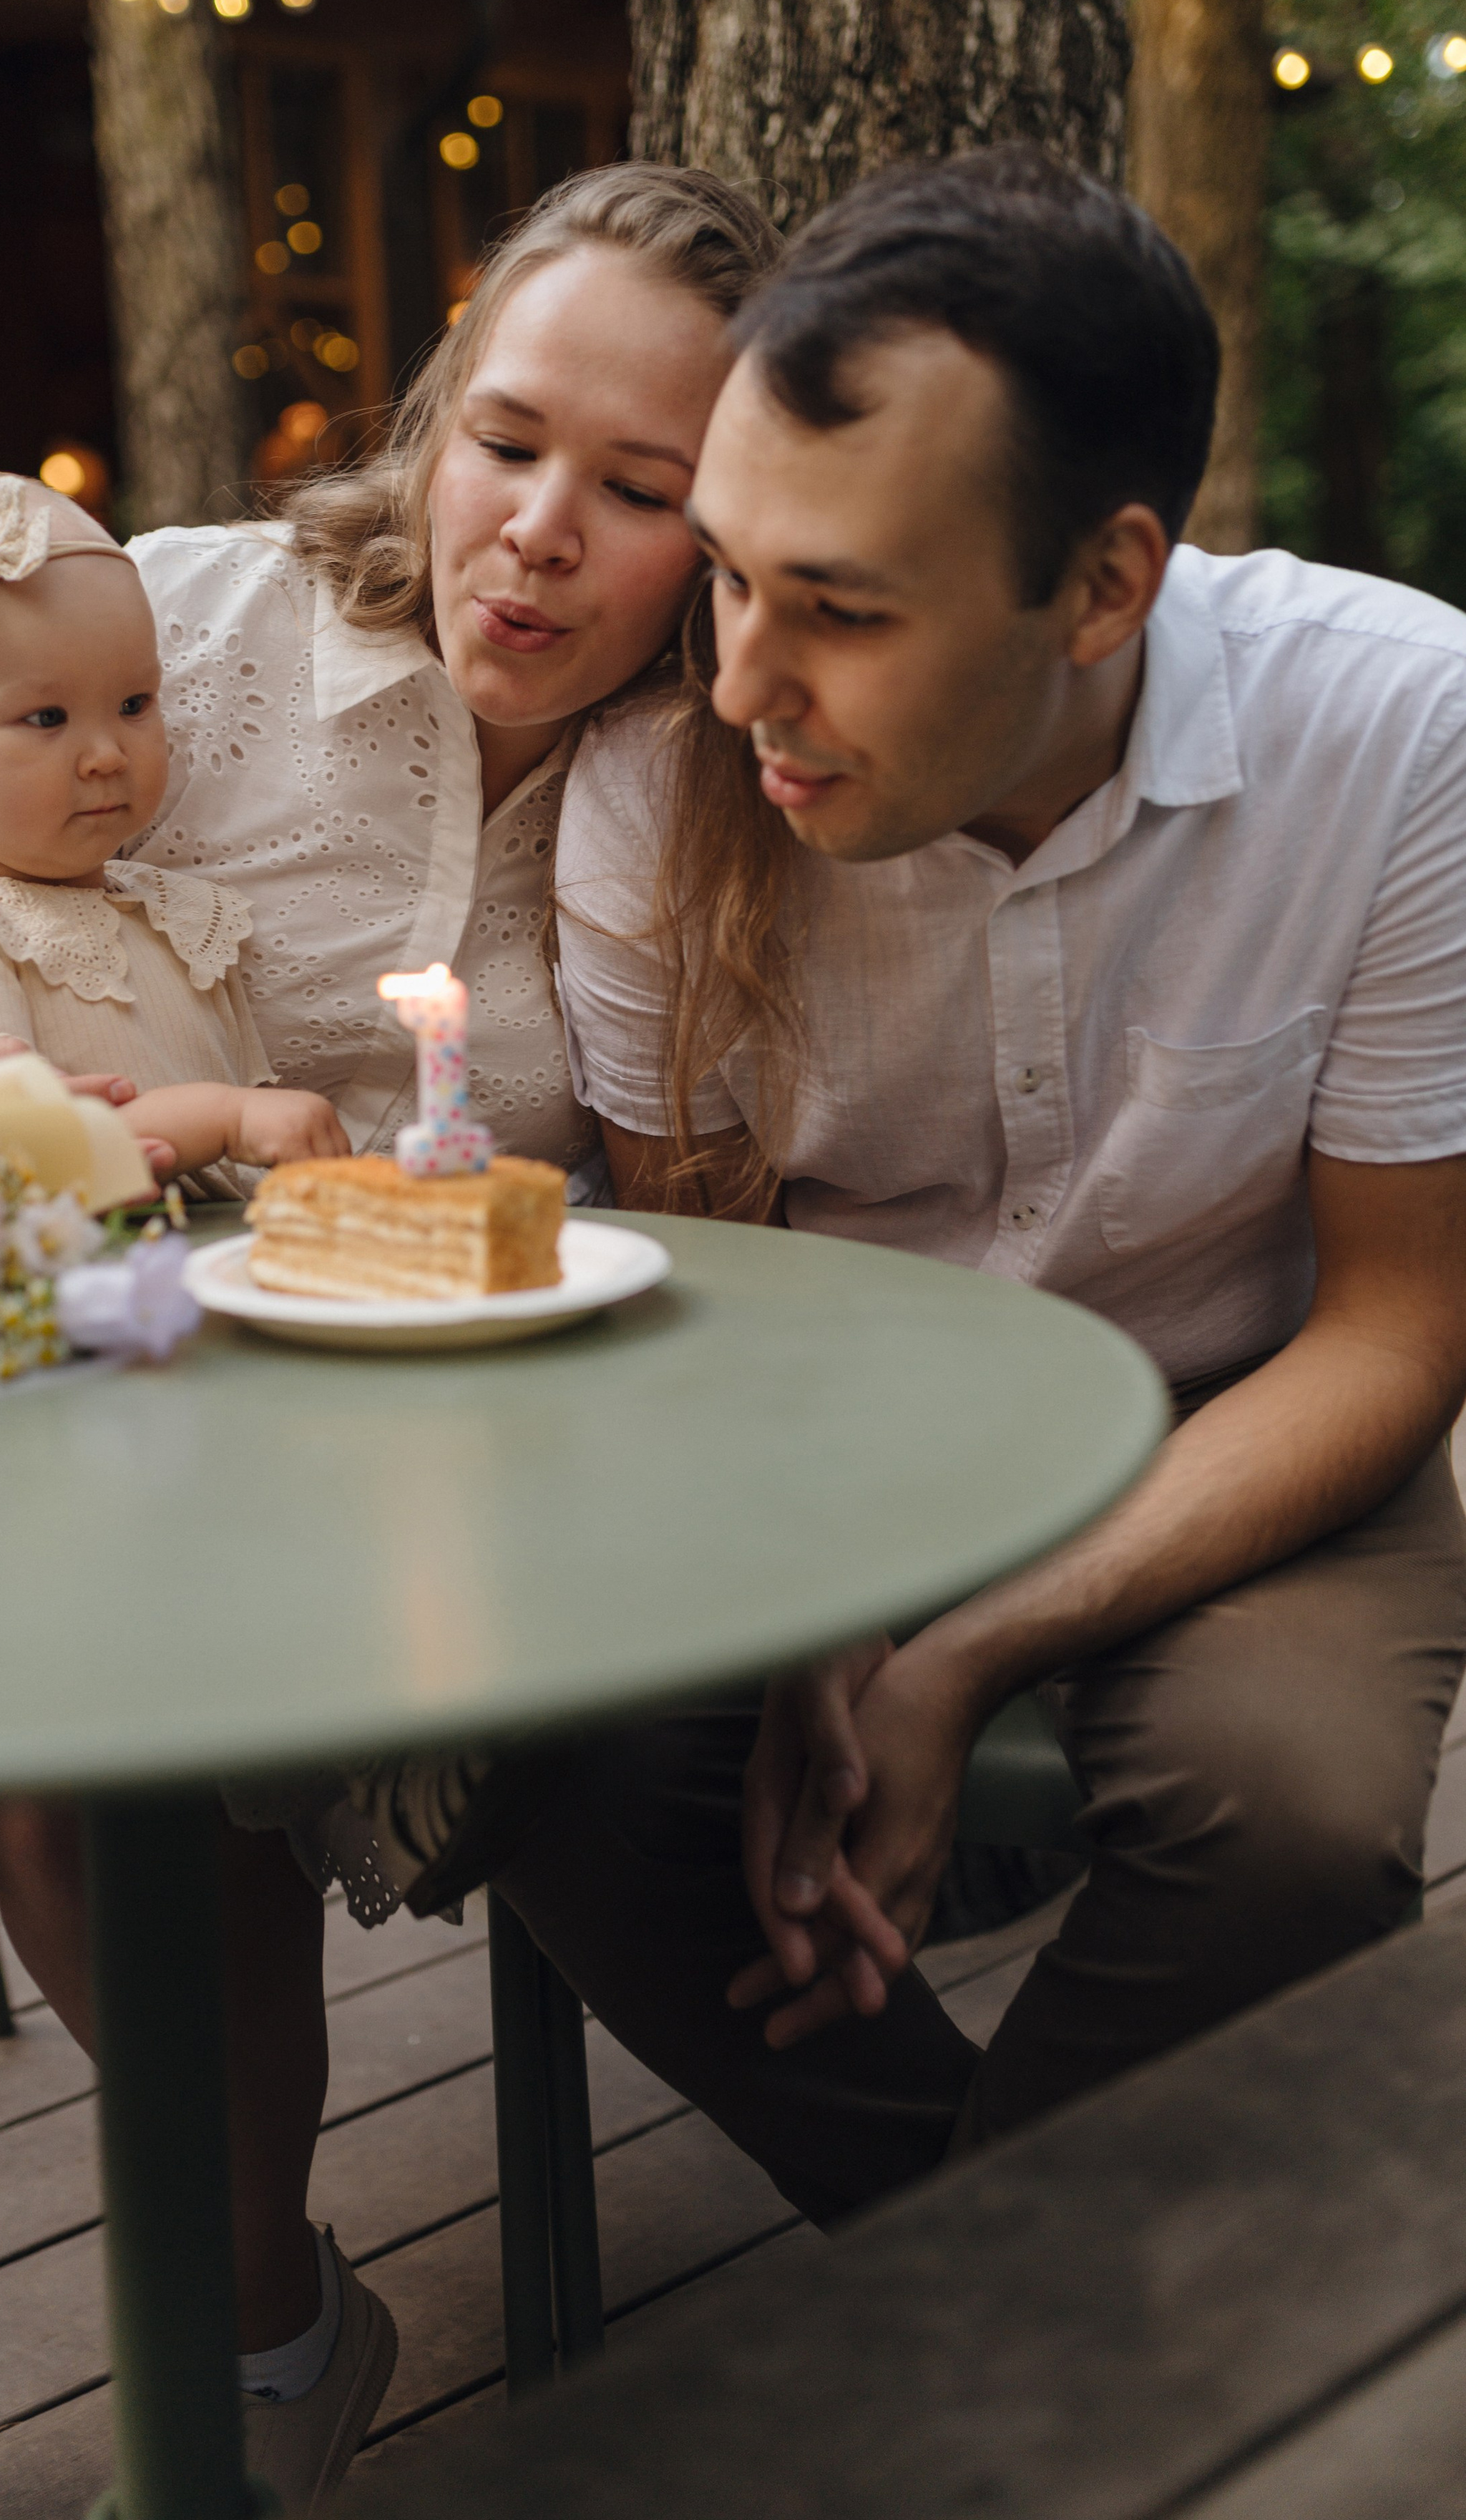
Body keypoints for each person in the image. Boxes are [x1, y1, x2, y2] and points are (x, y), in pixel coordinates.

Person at [0, 160, 782, 2519]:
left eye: (641, 486)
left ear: (734, 524)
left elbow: (702, 1216)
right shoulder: (176, 627)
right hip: (59, 1365)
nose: (538, 531)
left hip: (427, 1447)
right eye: (506, 441)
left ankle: (260, 2342)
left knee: (95, 1757)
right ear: (436, 417)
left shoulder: (730, 773)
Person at [495, 142, 1466, 2226]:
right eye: (727, 572)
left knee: (1288, 1812)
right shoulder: (662, 786)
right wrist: (816, 1611)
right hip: (821, 1437)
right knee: (557, 1762)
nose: (740, 680)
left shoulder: (1399, 729)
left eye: (840, 609)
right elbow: (708, 1307)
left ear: (1103, 585)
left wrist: (958, 1649)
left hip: (1248, 1417)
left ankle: (944, 2327)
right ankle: (988, 2268)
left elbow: (1398, 1323)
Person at [0, 467, 349, 1189]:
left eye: (135, 703)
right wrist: (224, 1118)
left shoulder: (176, 915)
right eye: (47, 717)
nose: (108, 754)